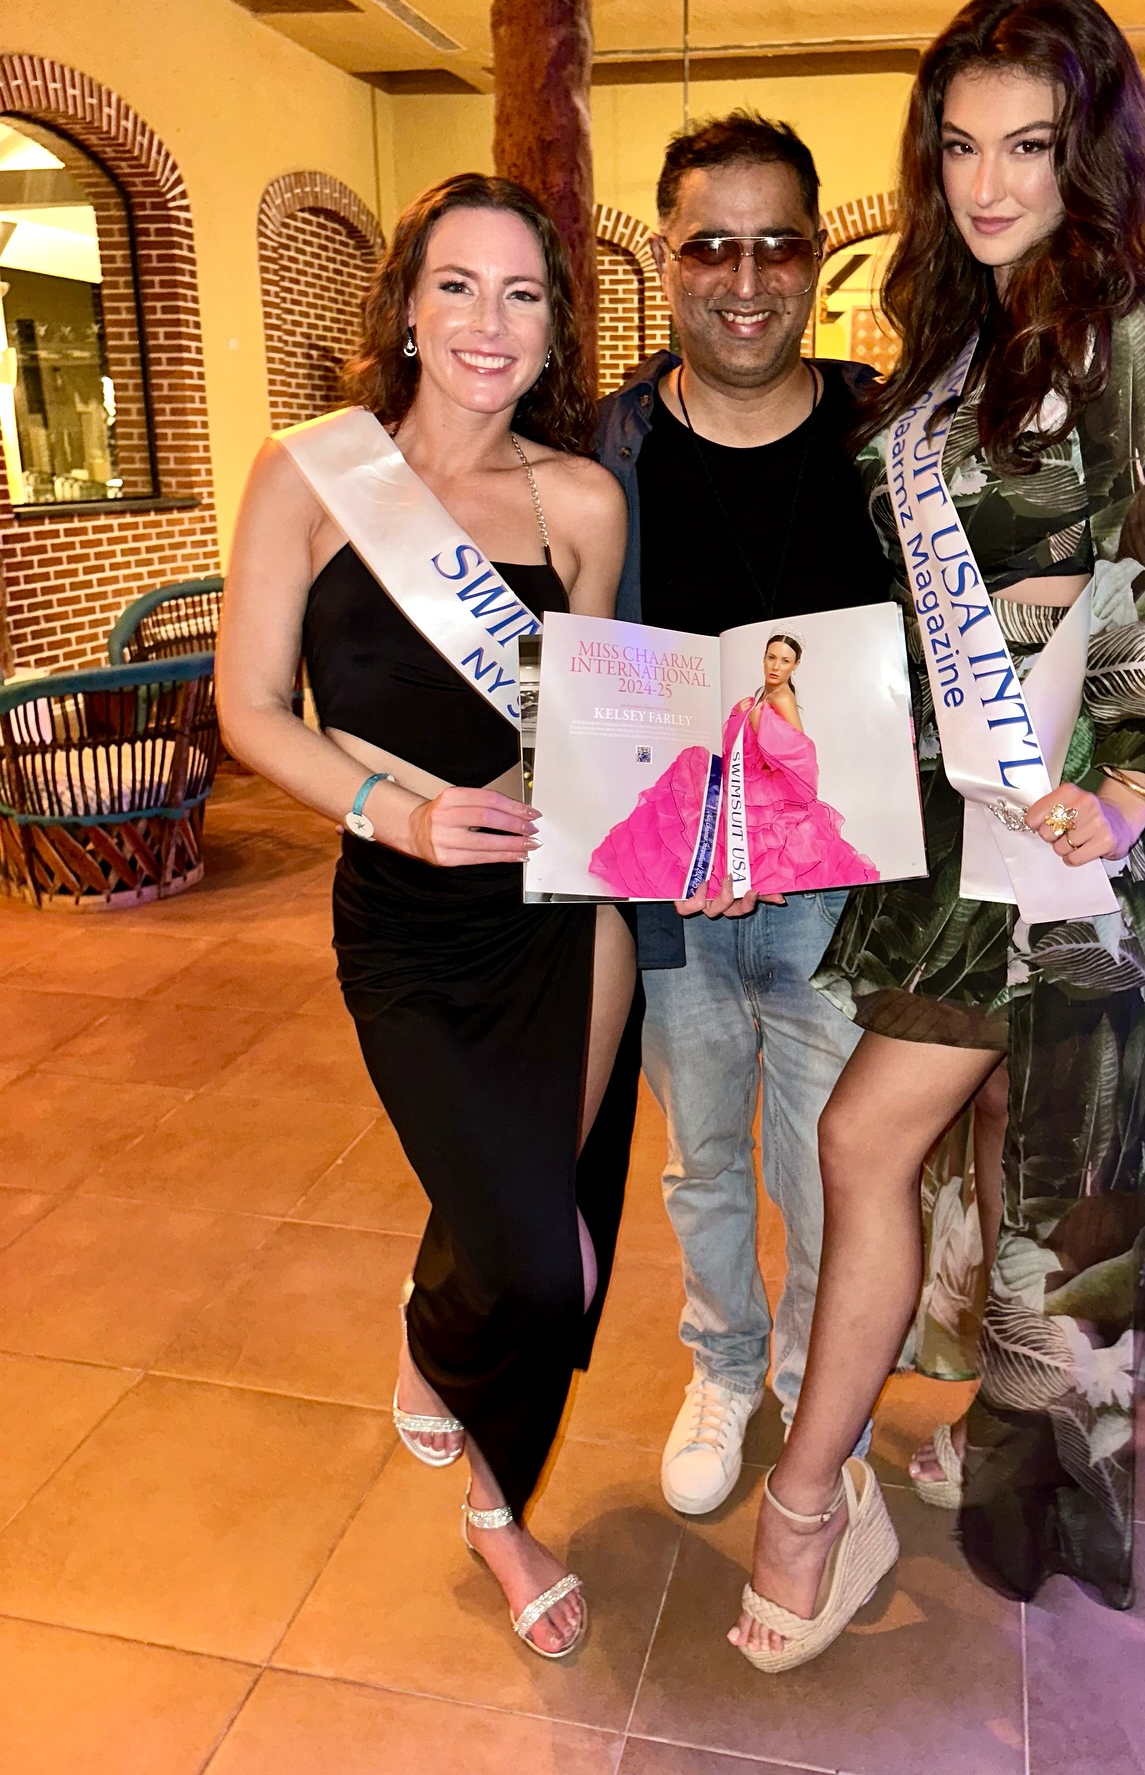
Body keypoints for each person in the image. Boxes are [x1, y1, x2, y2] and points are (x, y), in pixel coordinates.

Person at [730, 0, 1145, 1672]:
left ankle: (808, 1504)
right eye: (962, 146)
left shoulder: (1124, 324)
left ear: (1088, 154)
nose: (989, 183)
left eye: (1030, 147)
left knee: (865, 1141)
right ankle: (1011, 1416)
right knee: (1006, 1139)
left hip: (1045, 835)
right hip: (949, 811)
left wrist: (1128, 785)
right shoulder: (960, 333)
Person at [217, 174, 640, 1661]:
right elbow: (250, 710)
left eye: (522, 294)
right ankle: (448, 1363)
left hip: (561, 914)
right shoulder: (311, 474)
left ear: (555, 328)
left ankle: (493, 1504)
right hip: (403, 919)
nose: (488, 322)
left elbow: (600, 728)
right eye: (457, 284)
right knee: (524, 1257)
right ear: (405, 304)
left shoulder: (582, 503)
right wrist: (394, 814)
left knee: (547, 1247)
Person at [594, 113, 893, 1516]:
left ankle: (814, 1380)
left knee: (835, 1168)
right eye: (712, 244)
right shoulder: (605, 446)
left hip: (842, 883)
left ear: (817, 256)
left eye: (779, 243)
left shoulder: (886, 433)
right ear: (668, 258)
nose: (747, 277)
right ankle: (722, 1363)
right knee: (703, 1154)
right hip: (668, 888)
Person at [588, 632, 879, 897]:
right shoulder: (764, 692)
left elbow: (800, 750)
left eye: (785, 661)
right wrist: (744, 712)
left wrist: (762, 723)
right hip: (744, 772)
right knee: (691, 770)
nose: (776, 666)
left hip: (764, 784)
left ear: (796, 665)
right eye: (771, 657)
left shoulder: (784, 698)